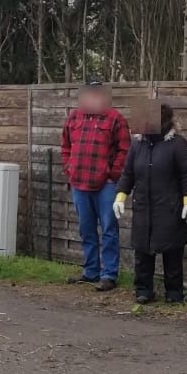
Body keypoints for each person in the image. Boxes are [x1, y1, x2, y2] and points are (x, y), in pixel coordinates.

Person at [114, 102, 187, 305]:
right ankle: (143, 290)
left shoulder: (177, 144)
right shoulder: (137, 145)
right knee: (143, 251)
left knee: (172, 251)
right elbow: (128, 173)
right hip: (143, 207)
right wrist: (120, 196)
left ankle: (174, 292)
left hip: (169, 207)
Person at [60, 80, 131, 291]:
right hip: (79, 183)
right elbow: (65, 145)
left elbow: (125, 150)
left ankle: (109, 275)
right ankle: (90, 271)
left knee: (109, 230)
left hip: (105, 186)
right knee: (86, 229)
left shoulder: (115, 118)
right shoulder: (74, 117)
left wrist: (113, 174)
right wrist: (69, 168)